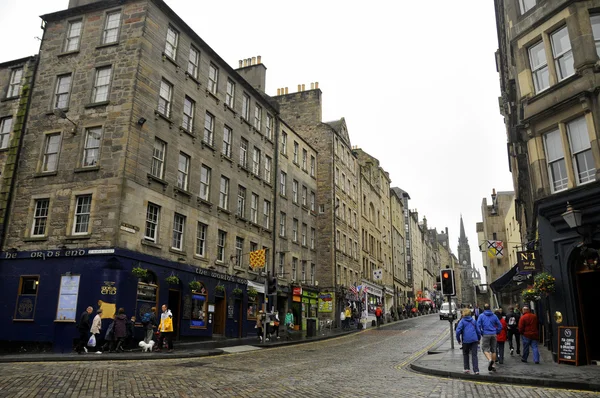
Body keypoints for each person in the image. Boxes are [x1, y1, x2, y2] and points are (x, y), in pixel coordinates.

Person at [476, 303, 502, 372]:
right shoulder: (494, 316)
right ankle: (493, 365)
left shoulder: (481, 316)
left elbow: (478, 326)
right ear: (490, 308)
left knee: (485, 349)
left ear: (484, 309)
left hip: (486, 334)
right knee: (494, 350)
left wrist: (481, 333)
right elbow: (500, 325)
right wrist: (497, 332)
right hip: (494, 334)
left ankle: (490, 360)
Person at [456, 308, 481, 375]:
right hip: (474, 339)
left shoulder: (462, 321)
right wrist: (479, 338)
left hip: (466, 340)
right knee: (474, 355)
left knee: (466, 354)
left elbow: (458, 331)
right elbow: (478, 331)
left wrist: (458, 339)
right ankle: (476, 370)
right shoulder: (473, 321)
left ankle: (467, 368)